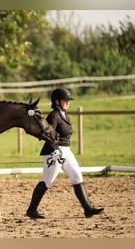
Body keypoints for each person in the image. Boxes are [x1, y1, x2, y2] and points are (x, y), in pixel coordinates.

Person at [26, 88, 104, 219]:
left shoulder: (64, 115)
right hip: (54, 152)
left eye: (68, 101)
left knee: (77, 177)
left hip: (66, 150)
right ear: (57, 101)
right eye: (65, 100)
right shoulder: (54, 116)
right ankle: (32, 210)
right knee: (47, 181)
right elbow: (47, 134)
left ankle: (87, 209)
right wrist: (55, 150)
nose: (68, 103)